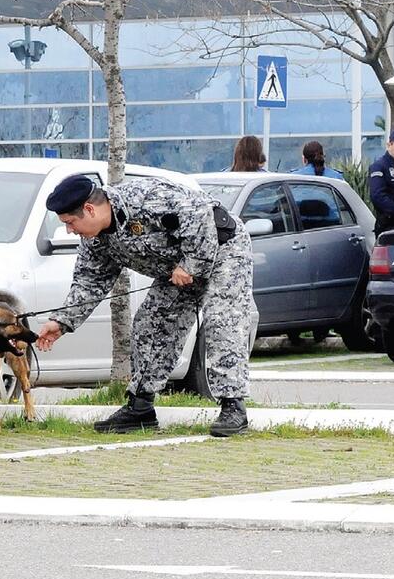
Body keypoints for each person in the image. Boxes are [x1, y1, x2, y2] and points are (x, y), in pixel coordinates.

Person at [35, 174, 254, 437]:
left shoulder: (145, 198)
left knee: (222, 321)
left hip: (223, 250)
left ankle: (233, 406)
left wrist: (191, 264)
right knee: (151, 324)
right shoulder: (95, 242)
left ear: (90, 209)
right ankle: (140, 408)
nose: (70, 230)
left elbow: (200, 214)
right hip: (175, 269)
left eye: (70, 222)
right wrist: (61, 322)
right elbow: (88, 283)